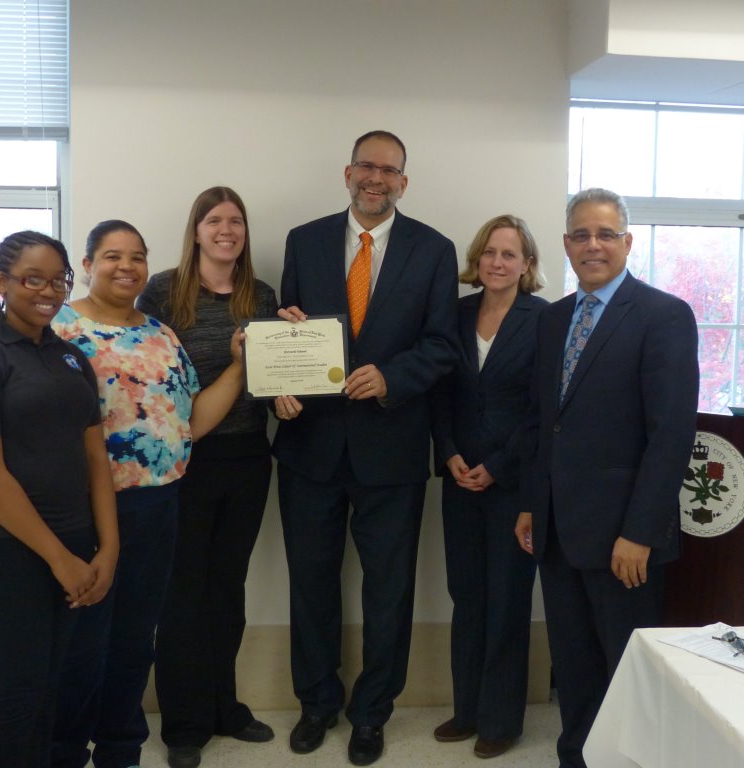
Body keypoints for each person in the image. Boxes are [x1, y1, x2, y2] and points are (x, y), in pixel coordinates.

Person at [273, 130, 459, 766]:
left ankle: (372, 712)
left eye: (390, 170)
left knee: (389, 590)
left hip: (393, 447)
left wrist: (393, 378)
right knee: (312, 584)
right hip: (310, 447)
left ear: (404, 181)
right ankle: (317, 702)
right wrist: (281, 387)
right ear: (347, 172)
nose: (376, 179)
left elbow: (443, 345)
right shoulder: (304, 240)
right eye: (366, 167)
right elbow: (287, 330)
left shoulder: (434, 250)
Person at [515, 188, 699, 768]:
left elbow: (670, 435)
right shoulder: (553, 319)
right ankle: (579, 756)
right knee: (573, 666)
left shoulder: (663, 316)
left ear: (627, 241)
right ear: (566, 244)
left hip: (625, 537)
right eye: (580, 235)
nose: (592, 245)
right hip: (559, 531)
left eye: (604, 234)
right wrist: (530, 506)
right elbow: (545, 424)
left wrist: (640, 532)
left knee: (627, 669)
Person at [50, 220, 245, 768]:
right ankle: (62, 750)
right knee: (81, 642)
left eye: (137, 256)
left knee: (136, 639)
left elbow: (191, 421)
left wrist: (238, 365)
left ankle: (120, 748)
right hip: (83, 510)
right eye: (112, 256)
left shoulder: (161, 335)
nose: (126, 266)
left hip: (157, 505)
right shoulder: (57, 331)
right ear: (87, 265)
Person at [0, 231, 119, 768]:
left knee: (52, 688)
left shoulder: (69, 358)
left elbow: (95, 460)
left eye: (58, 280)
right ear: (1, 283)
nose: (48, 291)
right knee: (20, 694)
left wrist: (106, 550)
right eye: (31, 279)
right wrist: (60, 559)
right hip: (1, 548)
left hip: (73, 543)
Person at [138, 187, 279, 768]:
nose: (227, 230)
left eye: (237, 221)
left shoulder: (262, 294)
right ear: (195, 230)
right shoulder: (164, 292)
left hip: (248, 457)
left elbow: (272, 373)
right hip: (184, 462)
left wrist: (285, 396)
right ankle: (184, 724)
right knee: (183, 595)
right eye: (215, 220)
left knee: (228, 590)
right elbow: (146, 373)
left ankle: (226, 705)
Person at [430, 215, 547, 760]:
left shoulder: (544, 320)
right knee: (467, 596)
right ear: (477, 260)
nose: (498, 262)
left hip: (513, 484)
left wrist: (498, 466)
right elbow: (441, 395)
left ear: (527, 266)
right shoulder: (453, 314)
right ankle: (468, 709)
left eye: (510, 254)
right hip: (459, 479)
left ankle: (501, 720)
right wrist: (449, 453)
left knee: (506, 601)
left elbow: (541, 412)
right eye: (490, 253)